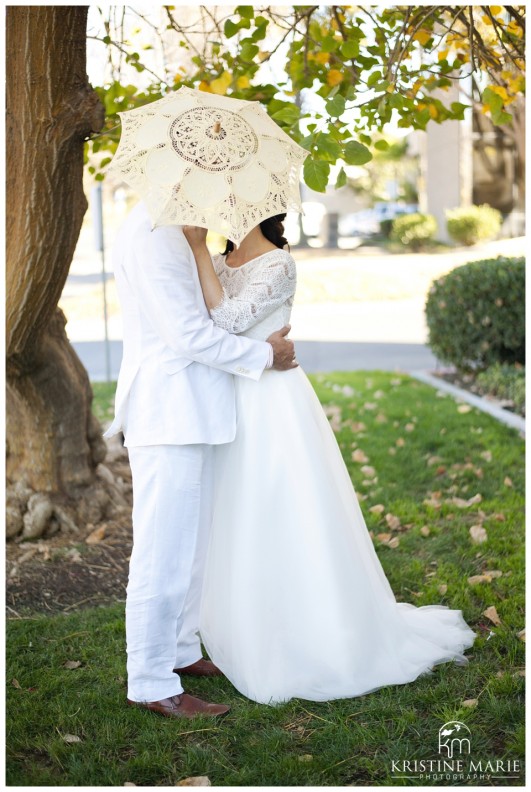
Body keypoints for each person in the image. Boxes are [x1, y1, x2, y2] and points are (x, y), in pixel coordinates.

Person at [184, 215, 477, 706]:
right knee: (236, 515)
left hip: (272, 404)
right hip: (228, 398)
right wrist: (203, 257)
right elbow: (200, 328)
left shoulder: (278, 264)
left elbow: (228, 321)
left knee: (285, 509)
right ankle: (249, 618)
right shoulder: (218, 261)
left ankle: (315, 626)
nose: (216, 213)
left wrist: (196, 253)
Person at [103, 201, 297, 719]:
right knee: (161, 554)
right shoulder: (153, 235)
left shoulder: (175, 232)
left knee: (190, 549)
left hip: (193, 412)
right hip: (168, 413)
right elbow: (185, 335)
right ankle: (149, 680)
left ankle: (183, 650)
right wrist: (265, 356)